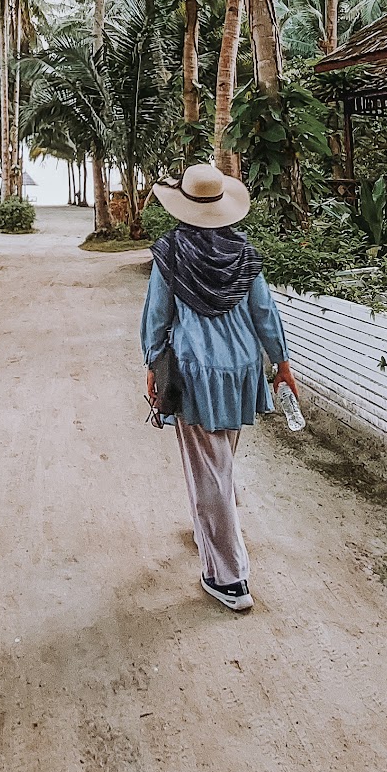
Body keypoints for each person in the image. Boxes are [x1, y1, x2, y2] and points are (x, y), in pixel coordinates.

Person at [140, 162, 299, 613]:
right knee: (219, 463)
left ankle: (229, 578)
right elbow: (266, 314)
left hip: (196, 372)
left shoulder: (171, 253)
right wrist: (282, 363)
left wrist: (153, 362)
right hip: (243, 368)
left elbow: (157, 316)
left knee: (209, 469)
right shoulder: (242, 252)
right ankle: (207, 531)